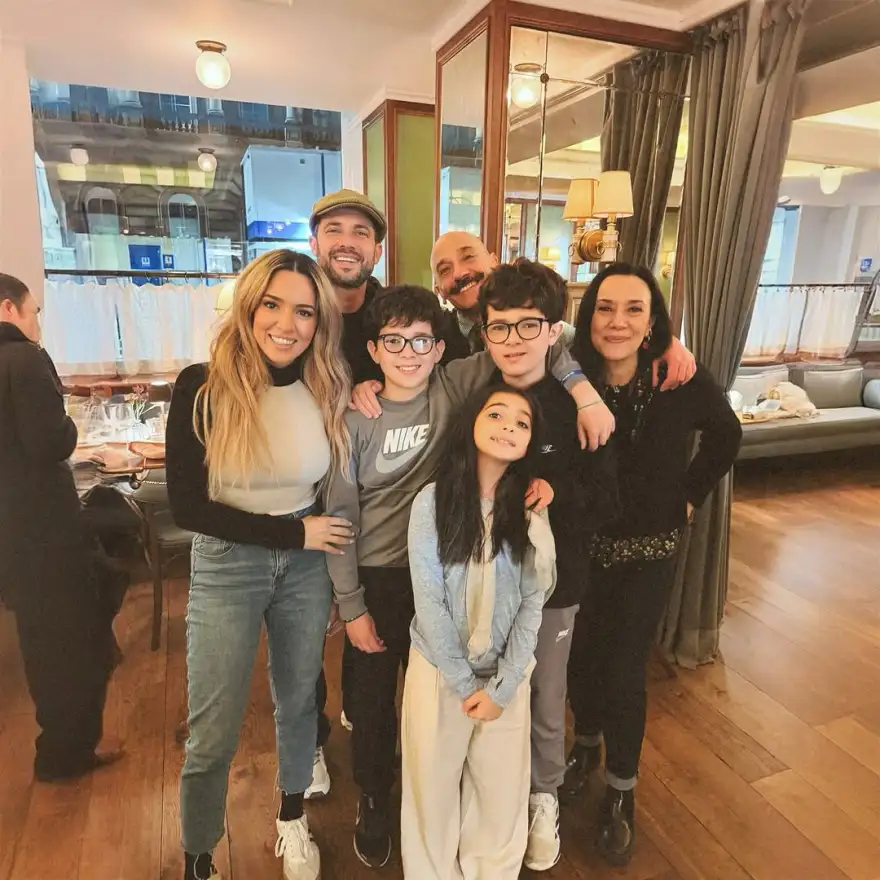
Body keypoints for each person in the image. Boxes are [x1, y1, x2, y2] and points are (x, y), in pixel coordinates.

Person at [328, 284, 597, 867]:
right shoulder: (357, 416)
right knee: (372, 698)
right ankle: (376, 797)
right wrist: (349, 602)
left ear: (439, 347)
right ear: (373, 350)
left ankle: (465, 813)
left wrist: (585, 391)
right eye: (393, 341)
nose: (408, 353)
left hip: (451, 563)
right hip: (379, 573)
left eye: (421, 341)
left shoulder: (454, 384)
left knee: (440, 703)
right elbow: (340, 514)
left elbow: (540, 341)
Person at [166, 250, 355, 880]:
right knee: (213, 726)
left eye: (304, 311)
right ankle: (199, 857)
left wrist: (335, 577)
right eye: (272, 304)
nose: (286, 323)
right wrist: (293, 533)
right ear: (248, 307)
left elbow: (333, 489)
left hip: (306, 566)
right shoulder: (201, 386)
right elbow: (190, 507)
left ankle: (292, 819)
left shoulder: (328, 384)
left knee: (299, 702)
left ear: (319, 321)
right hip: (228, 562)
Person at [563, 263, 742, 865]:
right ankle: (585, 746)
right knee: (581, 661)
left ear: (652, 321)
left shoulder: (679, 377)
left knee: (622, 669)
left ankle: (621, 789)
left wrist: (688, 495)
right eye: (605, 307)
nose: (617, 321)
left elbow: (726, 434)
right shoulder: (569, 374)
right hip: (579, 548)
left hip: (649, 551)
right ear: (588, 316)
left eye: (634, 309)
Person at [477, 259, 620, 871]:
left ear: (554, 331)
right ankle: (492, 795)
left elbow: (608, 500)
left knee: (545, 692)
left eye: (528, 325)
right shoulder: (475, 395)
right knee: (490, 686)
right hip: (484, 580)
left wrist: (559, 495)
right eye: (499, 326)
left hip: (556, 585)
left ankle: (543, 796)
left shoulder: (580, 406)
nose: (513, 339)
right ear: (485, 331)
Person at [401, 384, 555, 879]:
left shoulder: (531, 510)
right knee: (431, 791)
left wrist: (503, 688)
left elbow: (533, 601)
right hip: (439, 671)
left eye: (522, 423)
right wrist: (466, 685)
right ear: (471, 423)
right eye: (496, 414)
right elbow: (429, 601)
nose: (509, 426)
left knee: (500, 795)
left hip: (506, 675)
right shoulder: (431, 503)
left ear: (530, 442)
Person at [0, 272, 124, 782]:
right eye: (34, 311)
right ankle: (67, 752)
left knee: (41, 640)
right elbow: (53, 442)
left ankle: (58, 746)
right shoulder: (26, 358)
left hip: (12, 529)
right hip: (45, 529)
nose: (37, 322)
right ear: (8, 308)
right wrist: (71, 419)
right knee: (73, 640)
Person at [429, 230, 698, 394]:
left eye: (468, 257)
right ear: (439, 289)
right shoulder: (434, 339)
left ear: (494, 260)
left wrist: (662, 342)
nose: (460, 273)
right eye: (445, 270)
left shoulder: (554, 332)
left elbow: (605, 341)